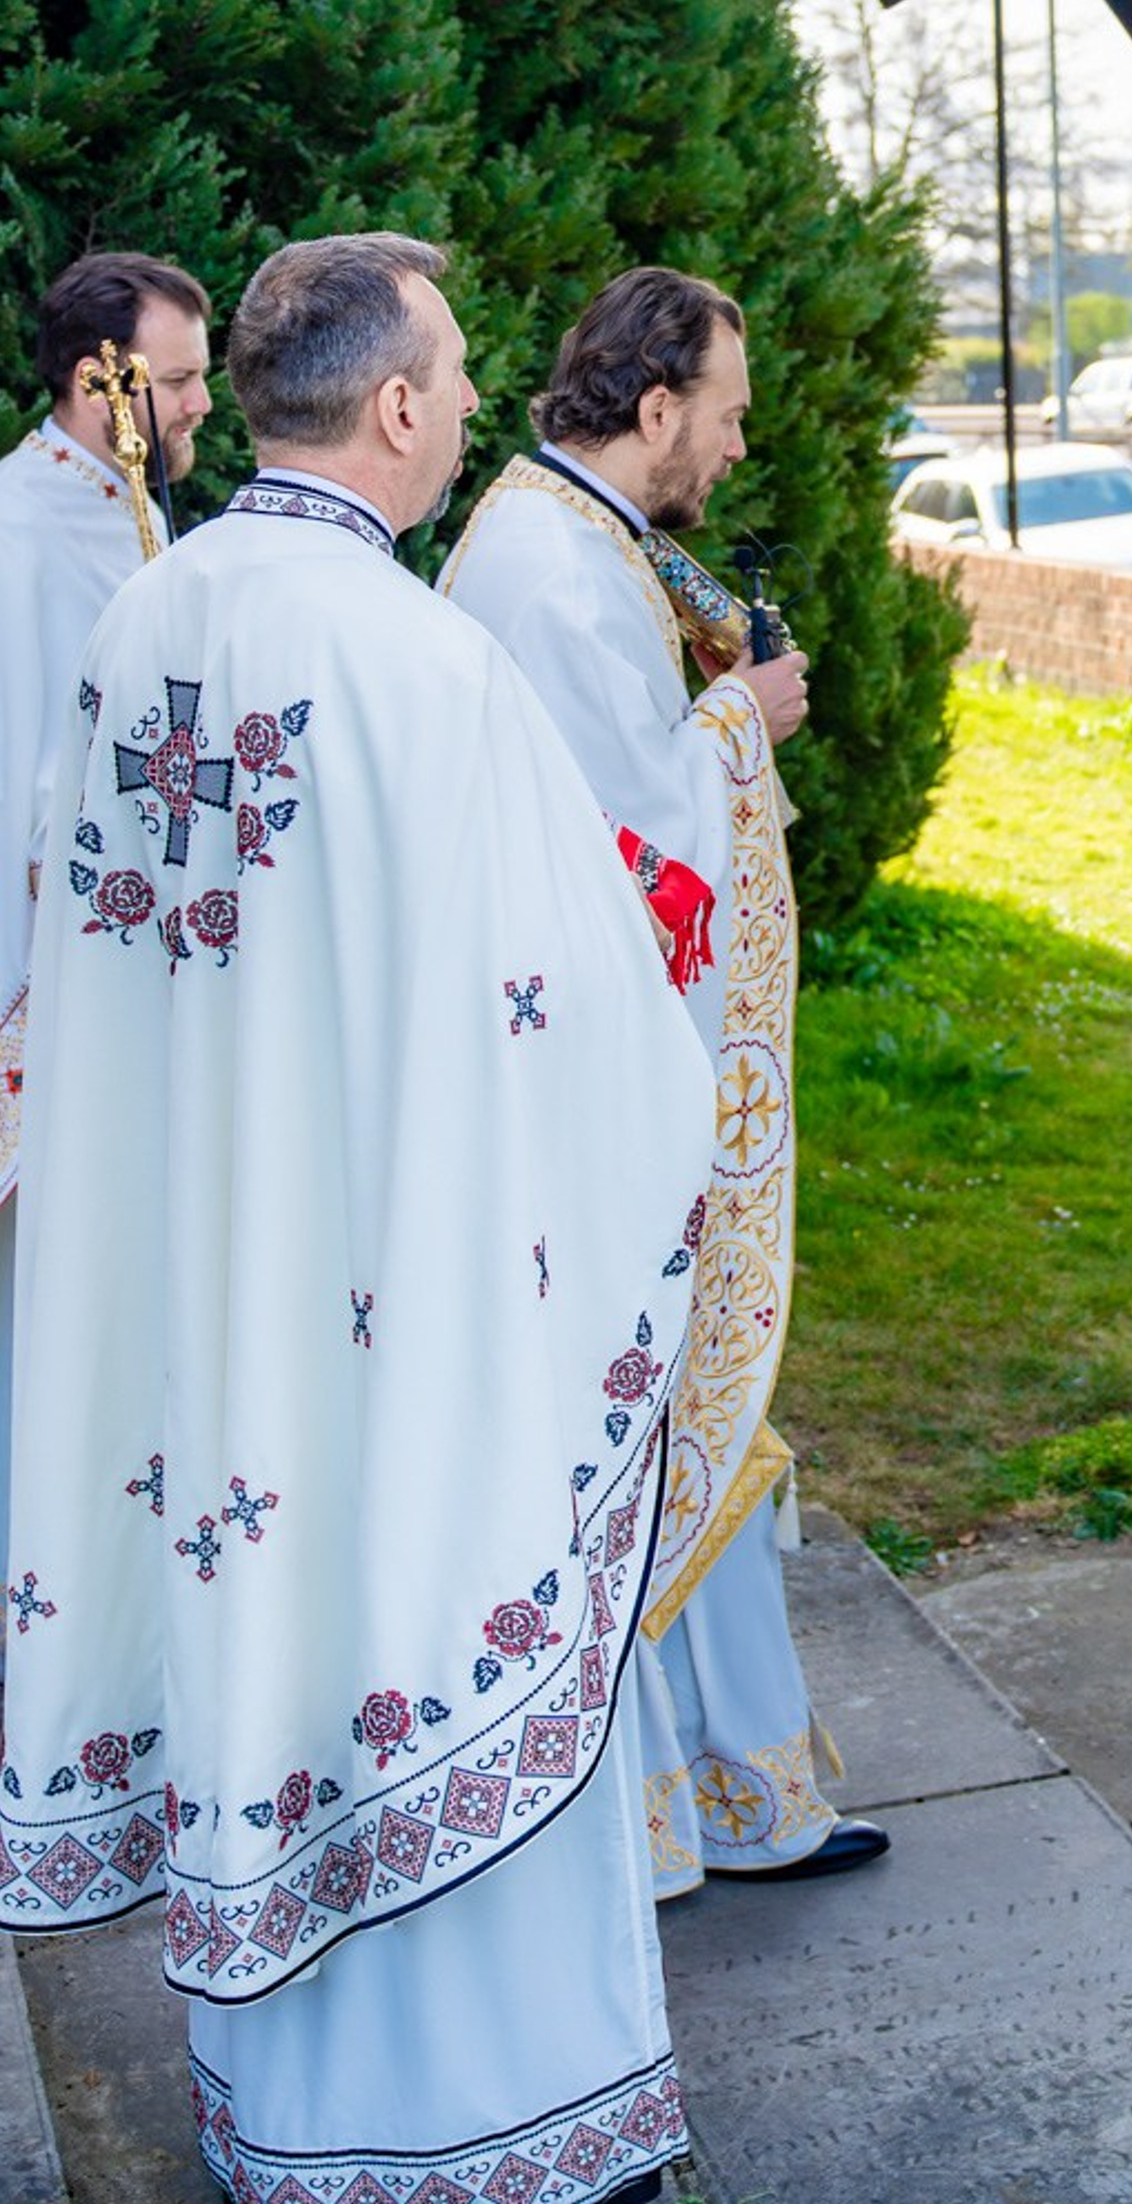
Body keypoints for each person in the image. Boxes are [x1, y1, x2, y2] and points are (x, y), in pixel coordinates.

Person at [0, 234, 711, 2204]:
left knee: (262, 1636)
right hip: (400, 1300)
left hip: (216, 1294)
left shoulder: (151, 618)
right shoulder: (419, 662)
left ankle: (286, 2129)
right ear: (393, 405)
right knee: (418, 1590)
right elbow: (571, 1015)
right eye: (459, 372)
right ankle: (493, 2131)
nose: (474, 398)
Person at [441, 266, 887, 1889]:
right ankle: (673, 1813)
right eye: (731, 412)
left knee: (708, 1427)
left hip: (619, 1076)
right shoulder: (554, 574)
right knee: (663, 1429)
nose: (743, 445)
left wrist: (714, 712)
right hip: (602, 1093)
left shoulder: (584, 537)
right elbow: (622, 848)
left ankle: (741, 1792)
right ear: (653, 410)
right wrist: (744, 722)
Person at [0, 252, 217, 1601]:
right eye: (183, 380)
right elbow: (45, 805)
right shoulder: (30, 532)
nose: (203, 406)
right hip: (52, 1012)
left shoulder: (122, 514)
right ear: (104, 382)